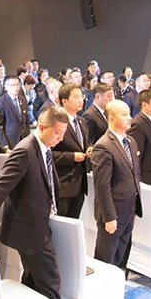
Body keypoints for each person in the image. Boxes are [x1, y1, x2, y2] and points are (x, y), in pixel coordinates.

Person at [0, 106, 71, 299]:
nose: (61, 139)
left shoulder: (44, 148)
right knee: (51, 284)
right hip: (29, 230)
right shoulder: (24, 150)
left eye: (63, 133)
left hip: (39, 225)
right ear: (42, 127)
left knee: (34, 281)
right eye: (57, 133)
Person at [92, 99, 140, 299]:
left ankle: (112, 294)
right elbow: (102, 187)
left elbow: (134, 176)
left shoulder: (131, 142)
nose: (130, 118)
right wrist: (109, 217)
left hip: (129, 210)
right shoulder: (103, 146)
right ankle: (98, 298)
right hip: (112, 214)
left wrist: (136, 206)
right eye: (125, 114)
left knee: (120, 255)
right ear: (111, 118)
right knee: (106, 257)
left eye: (129, 113)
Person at [52, 83, 92, 219]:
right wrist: (72, 157)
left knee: (73, 223)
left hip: (79, 183)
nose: (81, 100)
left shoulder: (81, 121)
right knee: (60, 224)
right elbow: (48, 153)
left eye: (81, 97)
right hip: (63, 183)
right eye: (76, 97)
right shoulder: (56, 121)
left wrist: (90, 147)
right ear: (64, 101)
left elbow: (85, 142)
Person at [0, 75, 30, 149]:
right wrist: (4, 145)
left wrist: (28, 138)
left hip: (24, 139)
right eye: (13, 85)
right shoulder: (0, 102)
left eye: (17, 84)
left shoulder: (23, 100)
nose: (16, 87)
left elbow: (26, 121)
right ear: (5, 87)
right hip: (10, 141)